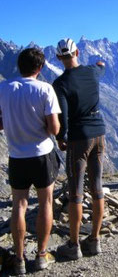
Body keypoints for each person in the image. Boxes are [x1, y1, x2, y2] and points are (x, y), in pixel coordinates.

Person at [0, 48, 61, 274]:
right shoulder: (45, 89)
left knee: (19, 206)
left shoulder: (4, 88)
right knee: (45, 203)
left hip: (17, 155)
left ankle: (18, 259)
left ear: (19, 65)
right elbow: (54, 128)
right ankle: (42, 255)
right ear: (41, 68)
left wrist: (14, 124)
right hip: (42, 154)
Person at [53, 38, 106, 260]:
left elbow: (62, 117)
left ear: (58, 57)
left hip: (78, 137)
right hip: (99, 133)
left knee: (75, 190)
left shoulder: (60, 84)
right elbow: (101, 66)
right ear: (77, 51)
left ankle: (74, 245)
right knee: (97, 186)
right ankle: (94, 241)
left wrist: (61, 138)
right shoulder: (93, 72)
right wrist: (101, 63)